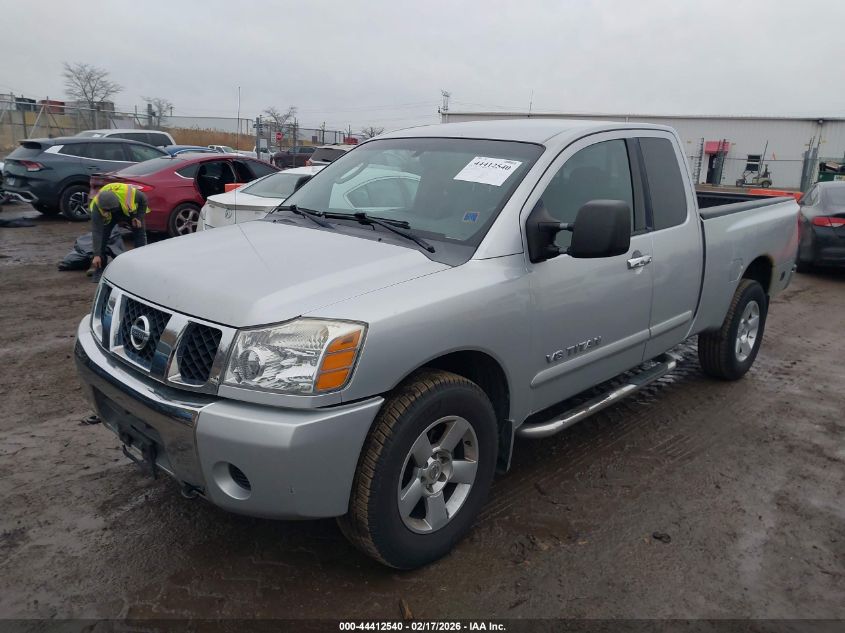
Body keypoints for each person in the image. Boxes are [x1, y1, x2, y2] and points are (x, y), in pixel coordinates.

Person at [89, 183, 149, 282]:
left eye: (111, 210)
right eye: (107, 210)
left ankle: (141, 266)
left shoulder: (132, 196)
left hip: (128, 212)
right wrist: (96, 254)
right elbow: (96, 232)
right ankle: (99, 269)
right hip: (110, 216)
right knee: (102, 238)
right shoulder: (96, 206)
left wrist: (138, 217)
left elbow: (144, 200)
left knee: (140, 234)